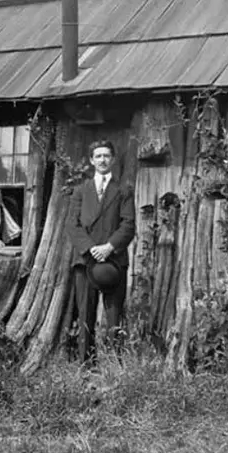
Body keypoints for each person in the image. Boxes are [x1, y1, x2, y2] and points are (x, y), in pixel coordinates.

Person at [66, 140, 135, 366]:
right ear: (91, 160)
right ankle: (87, 365)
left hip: (113, 260)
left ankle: (115, 364)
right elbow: (72, 224)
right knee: (85, 312)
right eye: (98, 156)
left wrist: (108, 247)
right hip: (86, 260)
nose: (102, 160)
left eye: (106, 155)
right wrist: (90, 248)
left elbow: (128, 225)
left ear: (113, 159)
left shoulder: (123, 190)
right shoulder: (80, 191)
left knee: (114, 314)